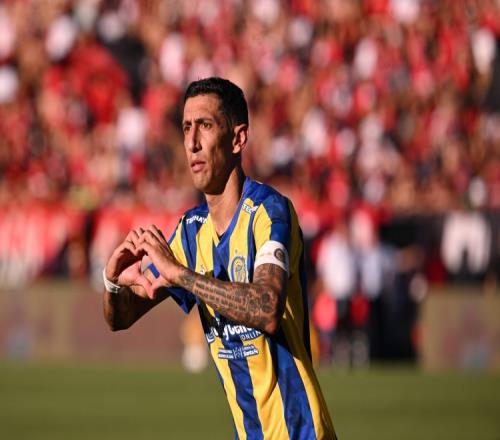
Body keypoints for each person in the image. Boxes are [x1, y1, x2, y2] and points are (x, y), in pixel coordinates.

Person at [102, 77, 337, 439]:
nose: (192, 142)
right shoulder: (192, 232)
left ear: (238, 139)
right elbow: (122, 318)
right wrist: (113, 282)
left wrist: (182, 275)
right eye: (186, 128)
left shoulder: (269, 212)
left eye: (206, 125)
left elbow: (267, 309)